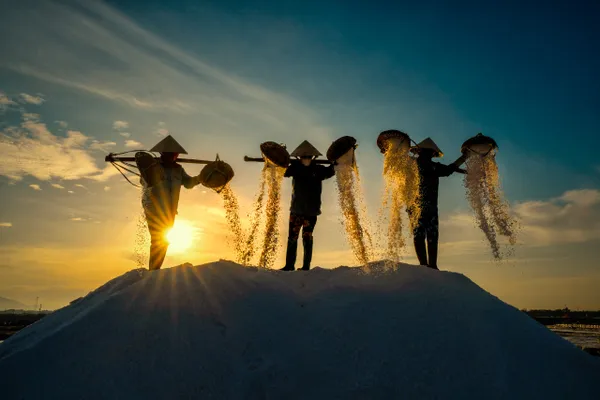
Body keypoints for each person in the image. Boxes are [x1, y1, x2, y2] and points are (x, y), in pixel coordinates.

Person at [136, 135, 203, 270]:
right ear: (162, 153)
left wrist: (202, 177)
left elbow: (189, 183)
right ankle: (153, 271)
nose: (172, 156)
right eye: (169, 154)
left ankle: (154, 270)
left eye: (174, 154)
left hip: (170, 211)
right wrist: (151, 172)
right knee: (158, 239)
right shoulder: (152, 167)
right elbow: (144, 182)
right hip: (154, 209)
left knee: (164, 241)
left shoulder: (178, 169)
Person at [408, 138, 465, 270]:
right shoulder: (416, 164)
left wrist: (465, 158)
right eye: (426, 153)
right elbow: (450, 169)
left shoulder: (426, 166)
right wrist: (465, 157)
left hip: (426, 207)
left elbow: (450, 169)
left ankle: (430, 265)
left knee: (426, 235)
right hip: (419, 207)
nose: (428, 155)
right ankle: (427, 265)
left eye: (429, 154)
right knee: (424, 235)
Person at [280, 140, 336, 271]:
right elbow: (283, 171)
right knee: (292, 238)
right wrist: (280, 158)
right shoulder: (295, 168)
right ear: (299, 157)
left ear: (313, 157)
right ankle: (289, 265)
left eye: (308, 157)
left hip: (311, 211)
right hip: (296, 210)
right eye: (304, 157)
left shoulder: (319, 169)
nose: (306, 159)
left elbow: (332, 171)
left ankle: (306, 266)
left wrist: (337, 161)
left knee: (307, 237)